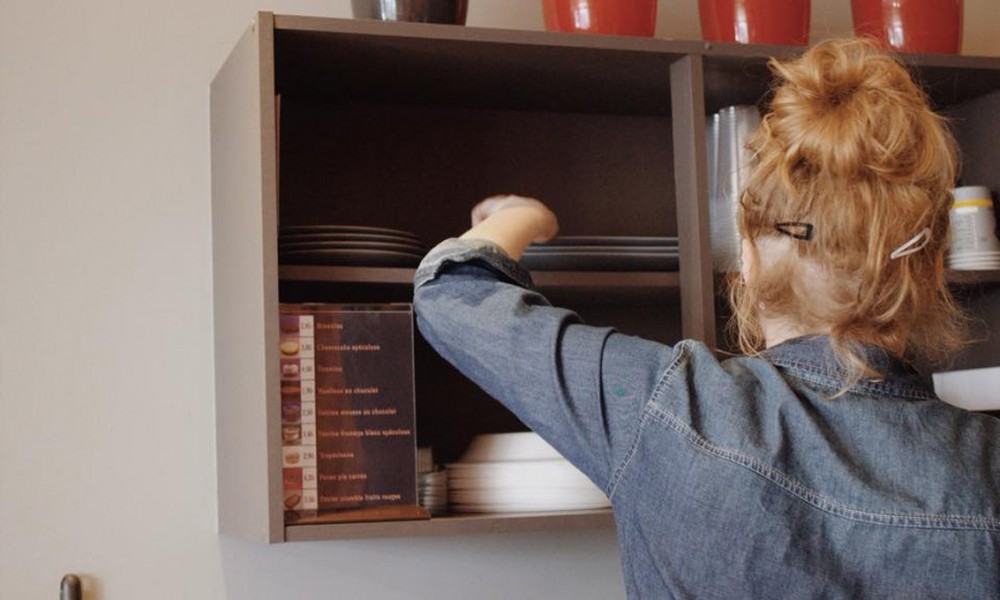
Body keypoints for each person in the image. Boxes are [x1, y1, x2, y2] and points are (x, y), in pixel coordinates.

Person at [412, 38, 999, 598]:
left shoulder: (664, 407)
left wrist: (523, 214)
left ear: (744, 259)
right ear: (926, 273)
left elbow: (452, 290)